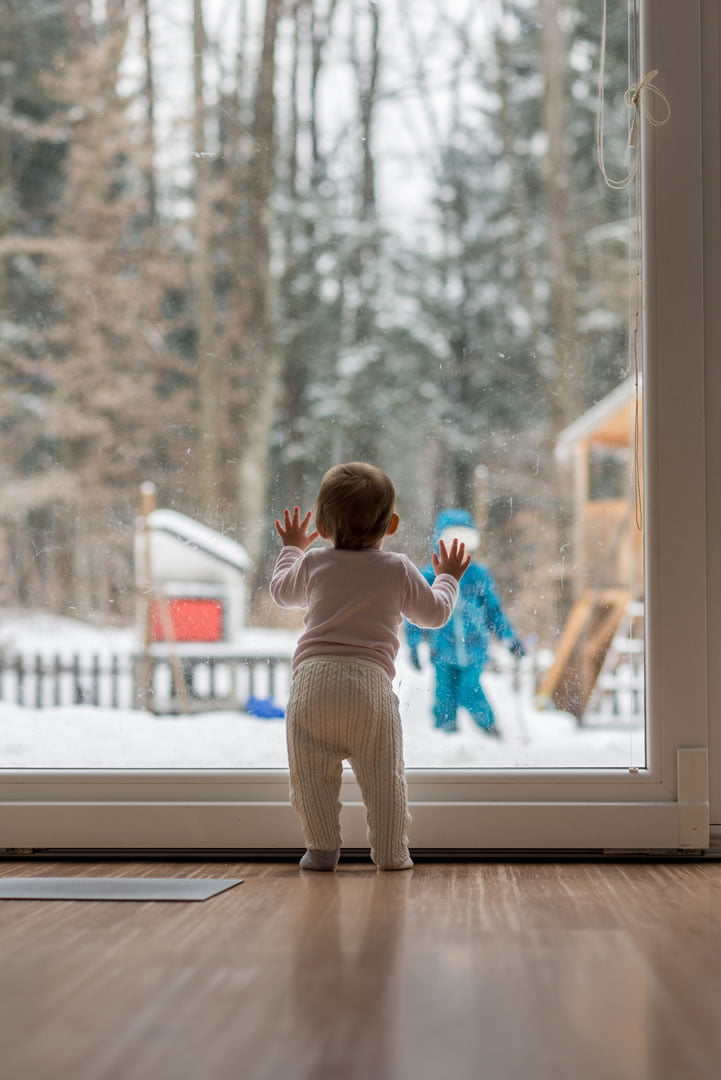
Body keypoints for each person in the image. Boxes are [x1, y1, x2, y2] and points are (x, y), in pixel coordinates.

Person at [270, 463, 470, 872]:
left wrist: (293, 547)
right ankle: (392, 853)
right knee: (384, 781)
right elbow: (433, 615)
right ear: (392, 524)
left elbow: (280, 592)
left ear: (322, 525)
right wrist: (447, 577)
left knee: (311, 776)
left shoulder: (314, 564)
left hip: (312, 684)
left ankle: (321, 848)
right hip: (369, 687)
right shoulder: (396, 568)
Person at [406, 508, 525, 737]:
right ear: (440, 541)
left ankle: (491, 731)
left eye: (465, 539)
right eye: (452, 539)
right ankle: (446, 738)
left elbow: (493, 611)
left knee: (470, 690)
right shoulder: (430, 575)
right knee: (444, 697)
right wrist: (414, 644)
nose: (459, 546)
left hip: (474, 648)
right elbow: (414, 611)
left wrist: (510, 639)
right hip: (441, 649)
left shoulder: (478, 574)